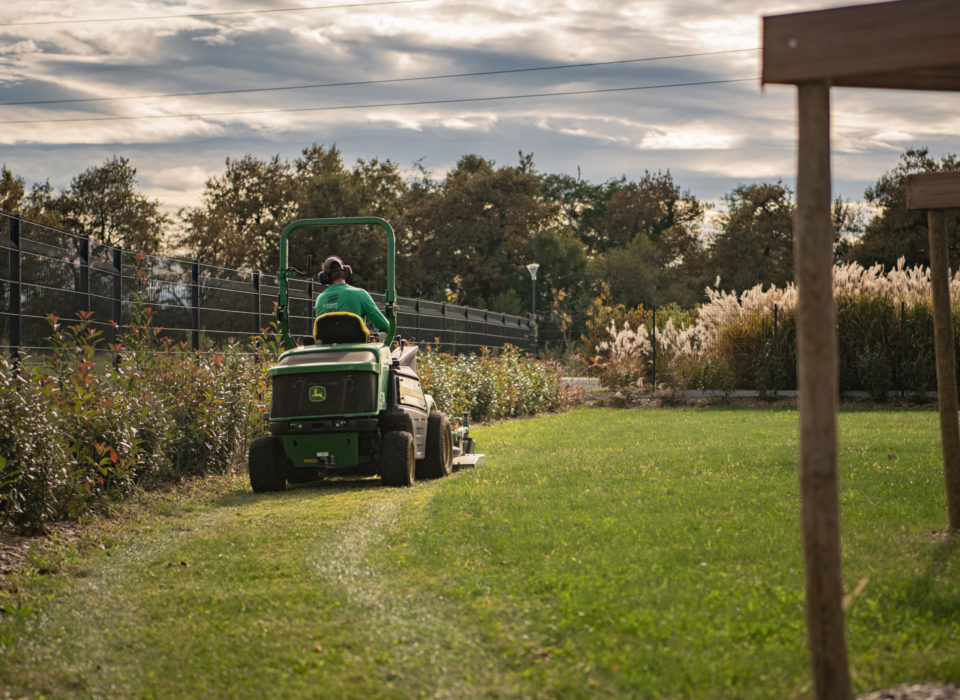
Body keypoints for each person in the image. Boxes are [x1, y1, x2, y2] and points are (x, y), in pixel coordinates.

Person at [313, 255, 390, 333]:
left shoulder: (319, 300)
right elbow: (385, 326)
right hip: (357, 344)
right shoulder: (361, 294)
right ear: (346, 272)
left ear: (324, 277)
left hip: (326, 345)